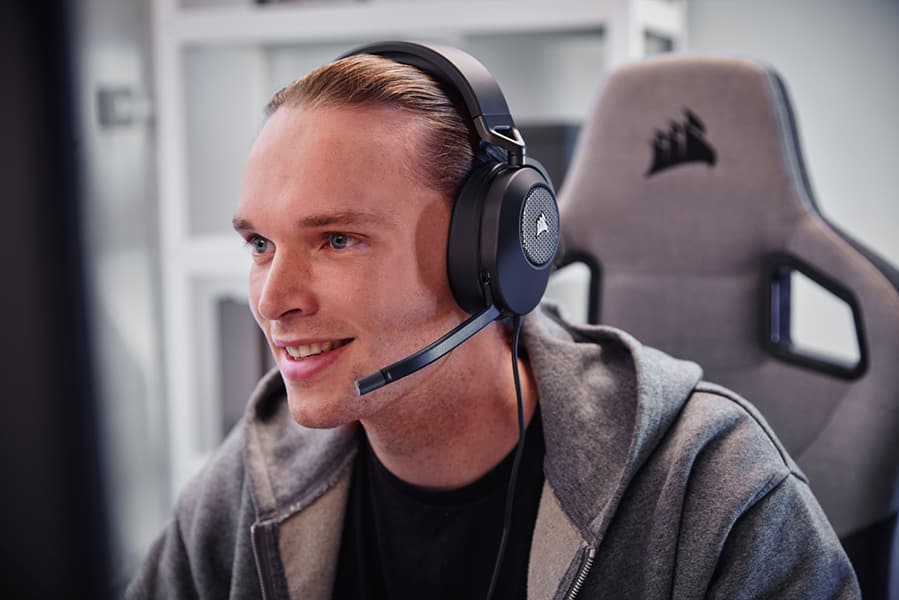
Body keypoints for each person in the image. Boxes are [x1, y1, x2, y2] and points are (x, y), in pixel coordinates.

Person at [128, 43, 860, 599]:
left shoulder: (712, 491)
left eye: (336, 240)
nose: (271, 298)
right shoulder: (254, 479)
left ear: (489, 253)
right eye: (259, 244)